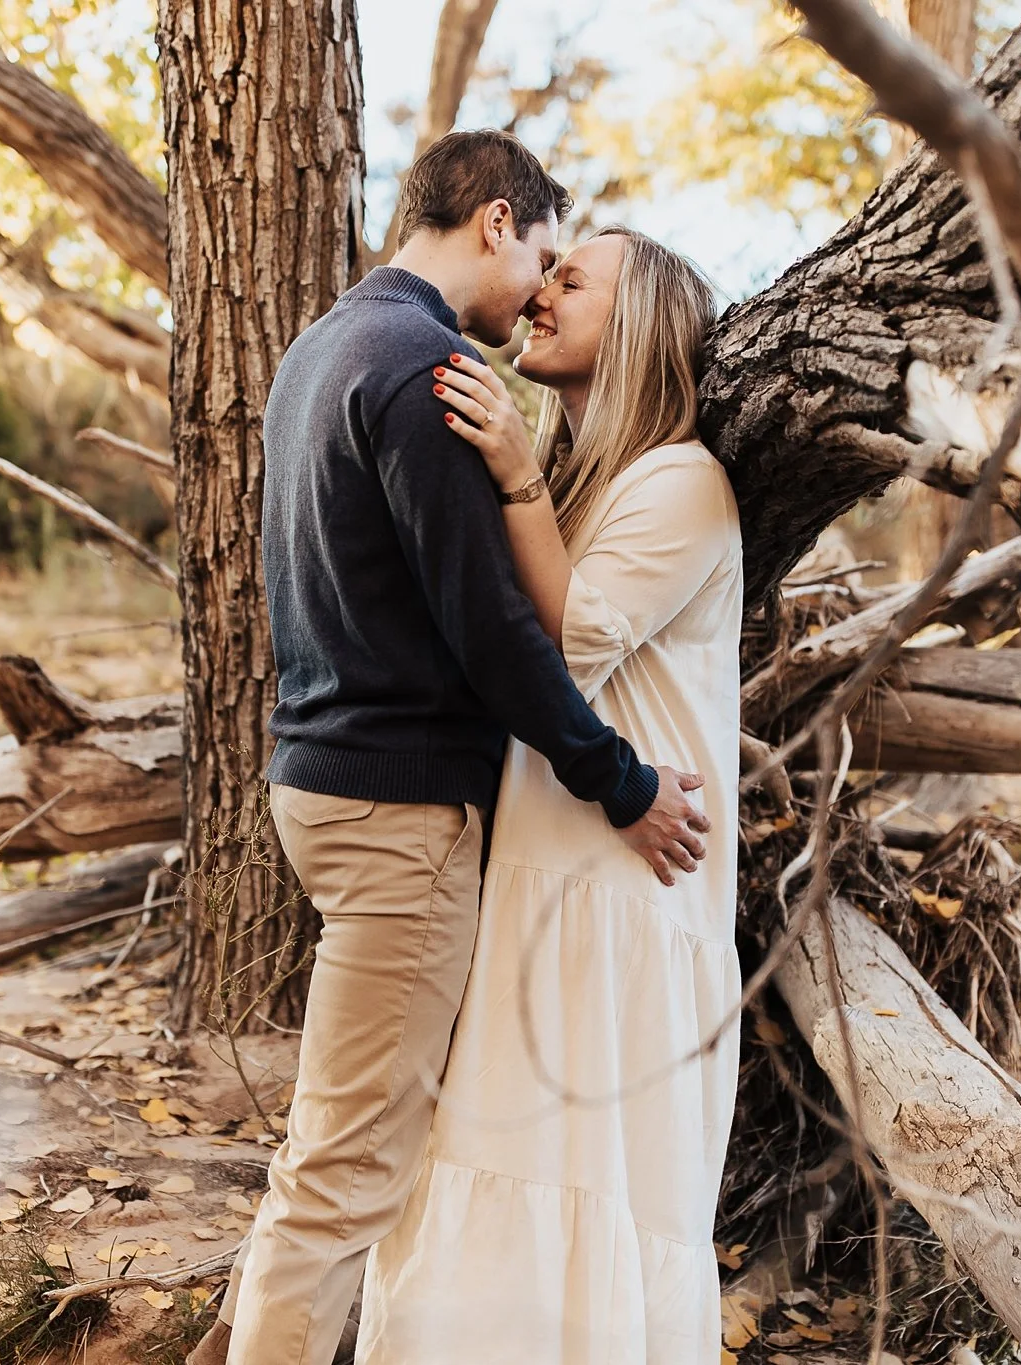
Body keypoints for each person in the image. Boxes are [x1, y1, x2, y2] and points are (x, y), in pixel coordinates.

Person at [186, 132, 711, 1365]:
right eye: (539, 252)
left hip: (320, 784)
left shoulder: (319, 348)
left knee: (345, 1143)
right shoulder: (423, 369)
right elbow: (497, 636)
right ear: (491, 221)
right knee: (343, 1175)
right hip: (396, 814)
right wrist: (622, 782)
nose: (536, 285)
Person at [355, 225, 742, 1363]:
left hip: (625, 888)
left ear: (638, 329)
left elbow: (566, 640)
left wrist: (516, 473)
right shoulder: (580, 484)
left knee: (583, 1180)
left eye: (574, 280)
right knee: (494, 1158)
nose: (541, 292)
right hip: (542, 872)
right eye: (546, 269)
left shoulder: (679, 480)